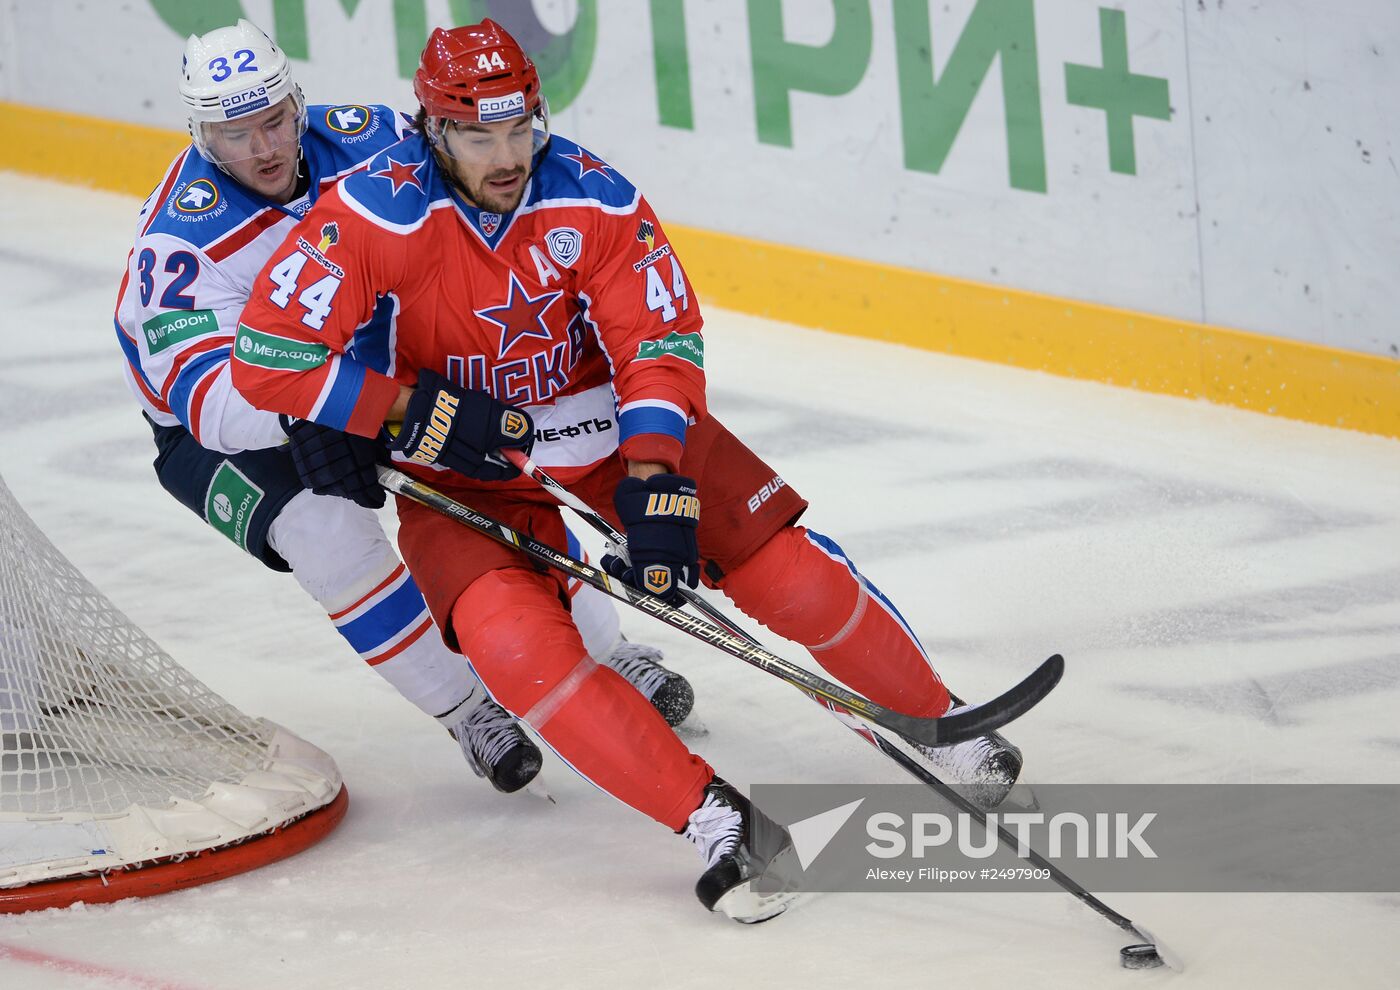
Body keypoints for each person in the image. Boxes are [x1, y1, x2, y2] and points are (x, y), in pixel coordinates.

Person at [230, 20, 1022, 920]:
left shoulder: (593, 197)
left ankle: (939, 720)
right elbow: (267, 357)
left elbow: (659, 340)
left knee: (789, 582)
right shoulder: (373, 211)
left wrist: (652, 477)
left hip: (604, 429)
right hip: (464, 468)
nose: (507, 156)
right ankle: (718, 823)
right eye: (479, 135)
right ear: (431, 129)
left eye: (520, 128)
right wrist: (409, 412)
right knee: (516, 648)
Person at [113, 19, 693, 795]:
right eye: (234, 134)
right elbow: (214, 398)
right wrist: (331, 417)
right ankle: (464, 711)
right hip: (227, 428)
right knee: (322, 526)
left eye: (276, 119)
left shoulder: (374, 140)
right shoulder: (179, 245)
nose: (264, 149)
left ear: (297, 99)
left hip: (357, 378)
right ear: (198, 134)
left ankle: (604, 651)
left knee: (495, 471)